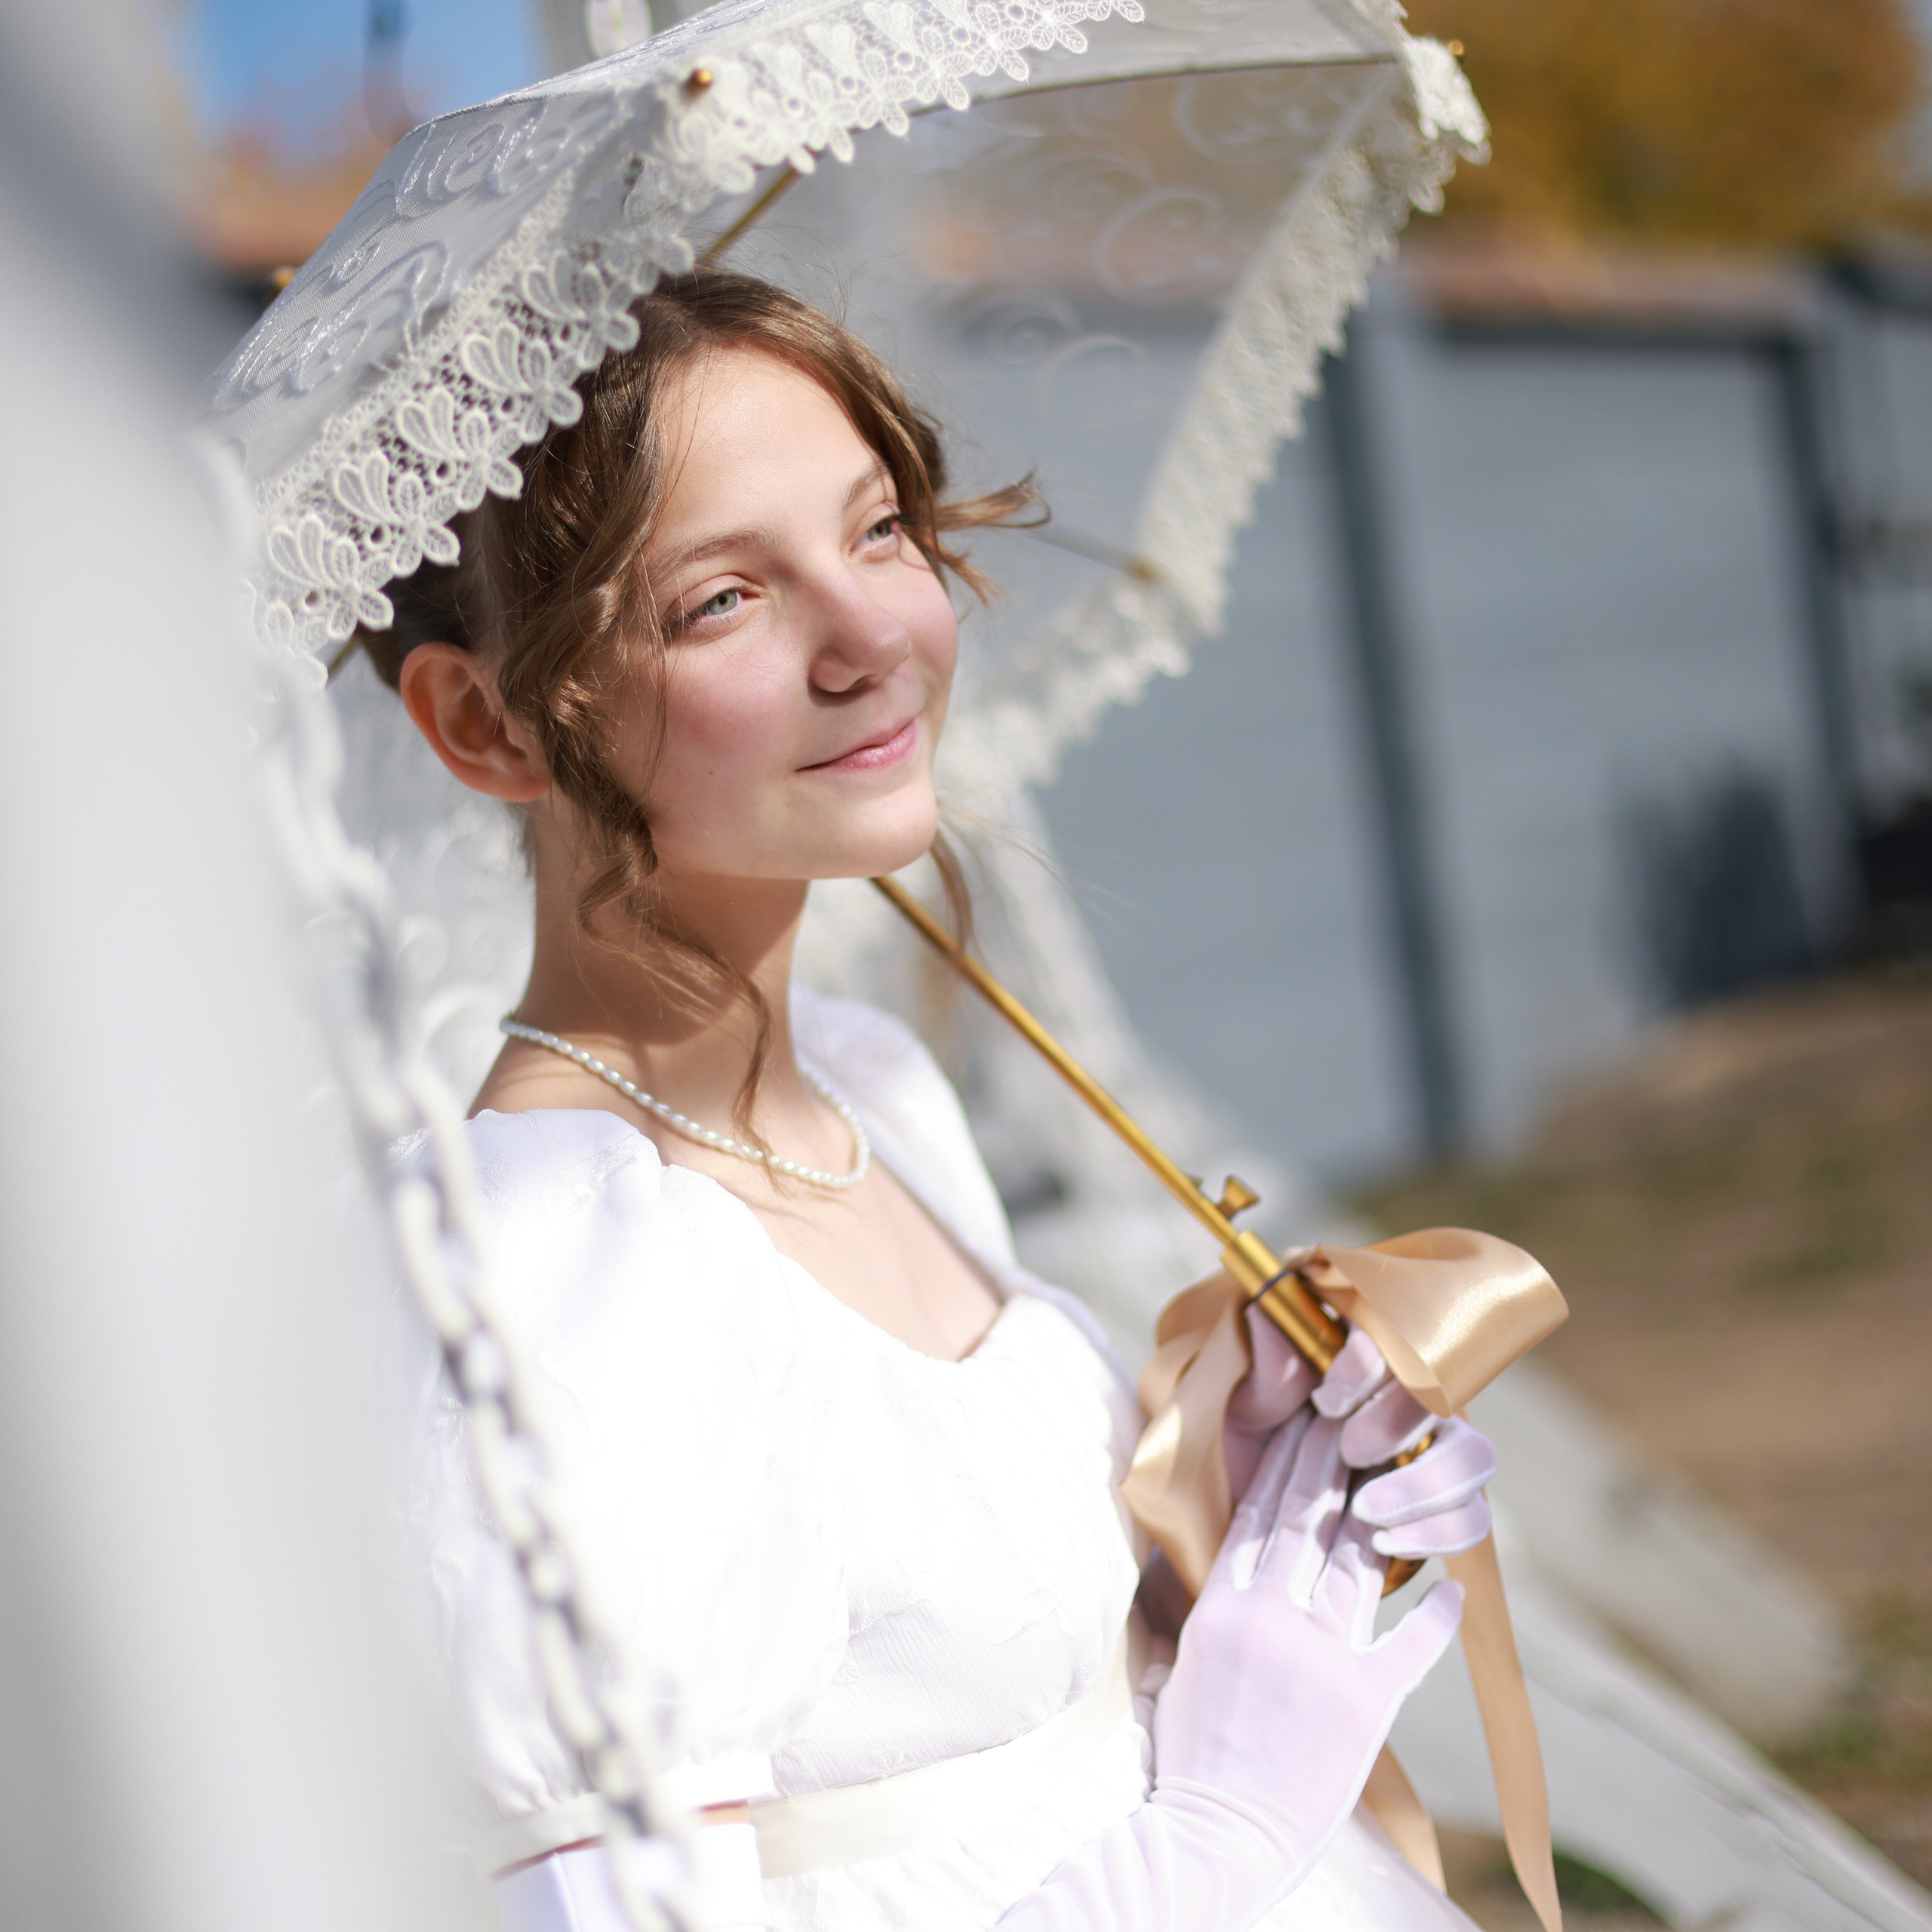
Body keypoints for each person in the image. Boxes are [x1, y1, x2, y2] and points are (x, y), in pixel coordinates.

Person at [377, 269, 1499, 1932]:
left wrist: (1231, 1502)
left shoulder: (873, 1086)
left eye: (879, 528)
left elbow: (952, 1675)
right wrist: (1202, 1840)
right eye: (721, 600)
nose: (874, 636)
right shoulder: (543, 1278)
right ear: (486, 725)